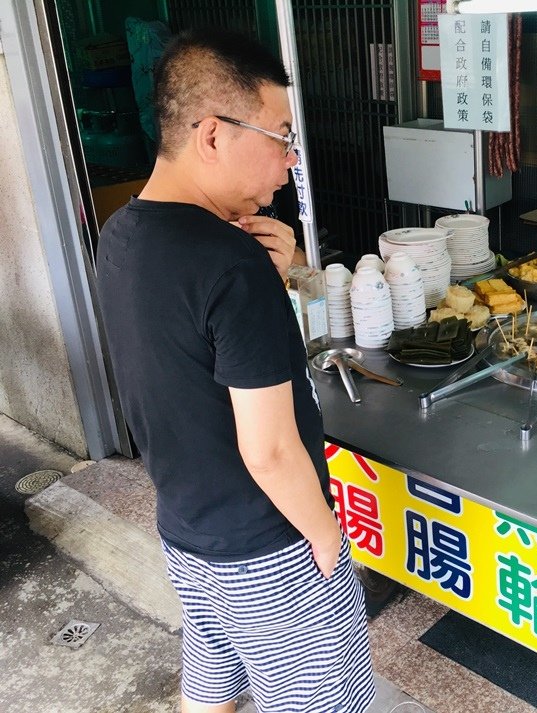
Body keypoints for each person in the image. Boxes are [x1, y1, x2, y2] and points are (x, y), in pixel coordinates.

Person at [95, 29, 375, 713]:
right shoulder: (231, 264)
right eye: (281, 137)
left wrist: (273, 281)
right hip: (271, 547)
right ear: (213, 135)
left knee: (211, 684)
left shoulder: (121, 234)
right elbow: (272, 449)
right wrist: (326, 536)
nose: (289, 164)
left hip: (189, 536)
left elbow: (185, 360)